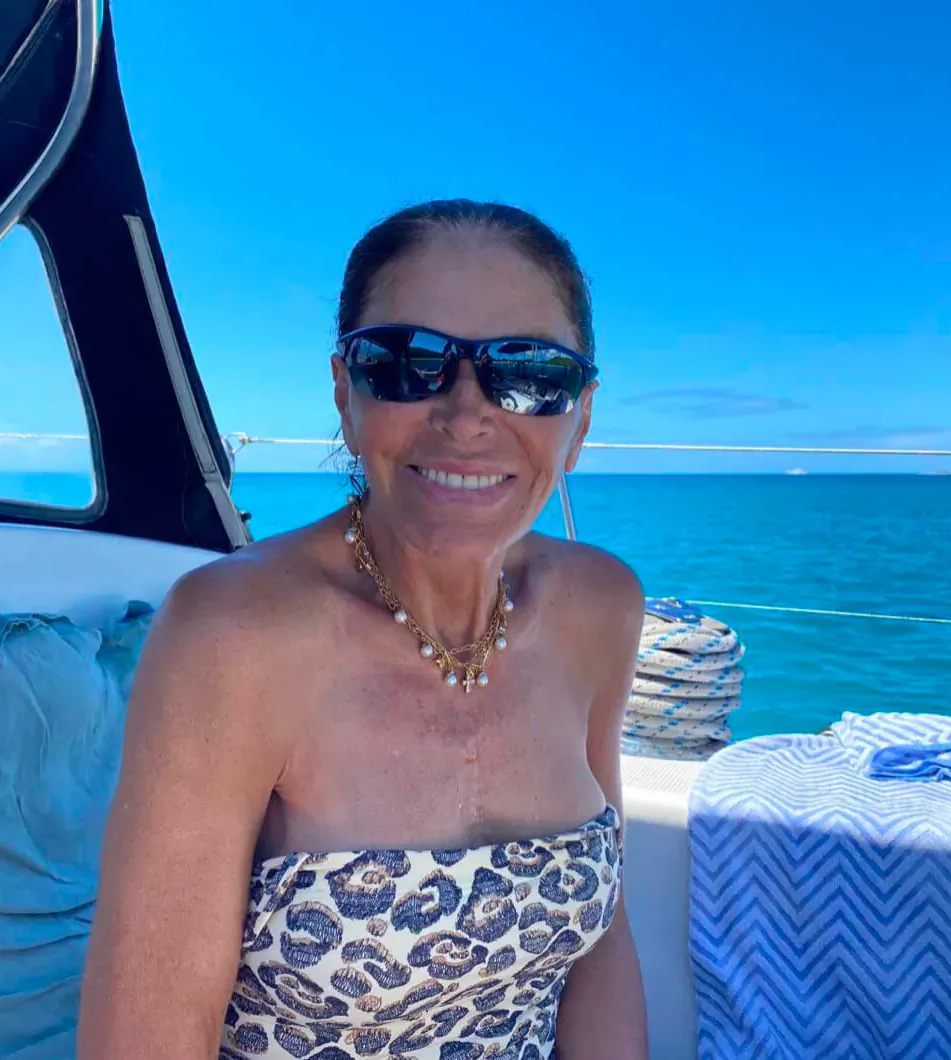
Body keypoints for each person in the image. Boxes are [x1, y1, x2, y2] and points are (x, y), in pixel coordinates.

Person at [78, 200, 649, 1059]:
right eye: (408, 365)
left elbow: (602, 947)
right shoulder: (234, 634)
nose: (465, 415)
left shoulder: (601, 607)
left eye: (529, 372)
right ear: (345, 395)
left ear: (580, 416)